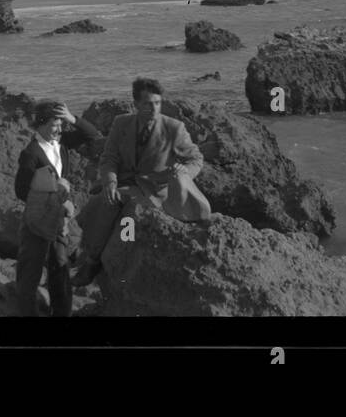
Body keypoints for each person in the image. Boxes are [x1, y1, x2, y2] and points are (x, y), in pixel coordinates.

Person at [70, 77, 211, 288]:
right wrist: (110, 181)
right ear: (136, 104)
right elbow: (109, 158)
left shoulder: (174, 128)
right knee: (105, 202)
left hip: (156, 190)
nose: (154, 108)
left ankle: (100, 260)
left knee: (127, 214)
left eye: (157, 103)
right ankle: (89, 257)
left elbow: (196, 159)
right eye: (148, 103)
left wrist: (184, 174)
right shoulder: (121, 123)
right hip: (124, 184)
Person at [13, 100, 99, 317]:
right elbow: (21, 190)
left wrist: (72, 118)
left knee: (60, 268)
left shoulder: (61, 142)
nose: (59, 129)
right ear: (40, 124)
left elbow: (92, 136)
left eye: (61, 125)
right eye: (54, 125)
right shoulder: (31, 153)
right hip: (37, 219)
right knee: (30, 271)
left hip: (59, 219)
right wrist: (54, 192)